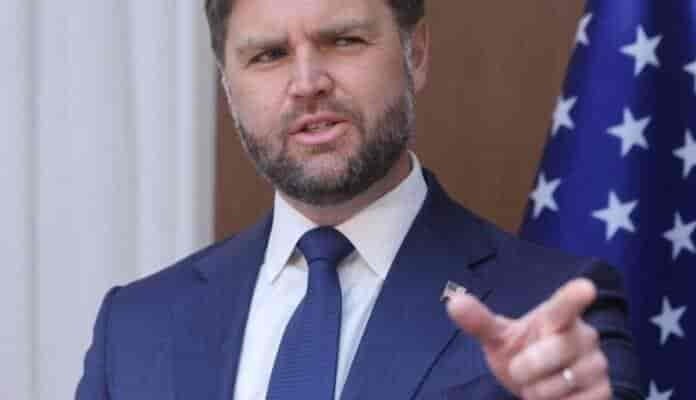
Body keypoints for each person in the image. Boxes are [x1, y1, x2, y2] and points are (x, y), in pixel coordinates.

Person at [76, 0, 642, 399]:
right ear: (228, 86)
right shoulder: (135, 328)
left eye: (343, 40)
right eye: (268, 54)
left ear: (415, 53)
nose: (307, 82)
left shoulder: (548, 308)